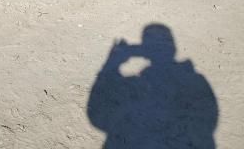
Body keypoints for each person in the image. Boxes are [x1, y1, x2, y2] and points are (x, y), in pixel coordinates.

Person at [87, 24, 218, 148]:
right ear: (173, 48)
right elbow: (209, 121)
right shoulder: (196, 80)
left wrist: (111, 65)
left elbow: (96, 115)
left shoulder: (133, 86)